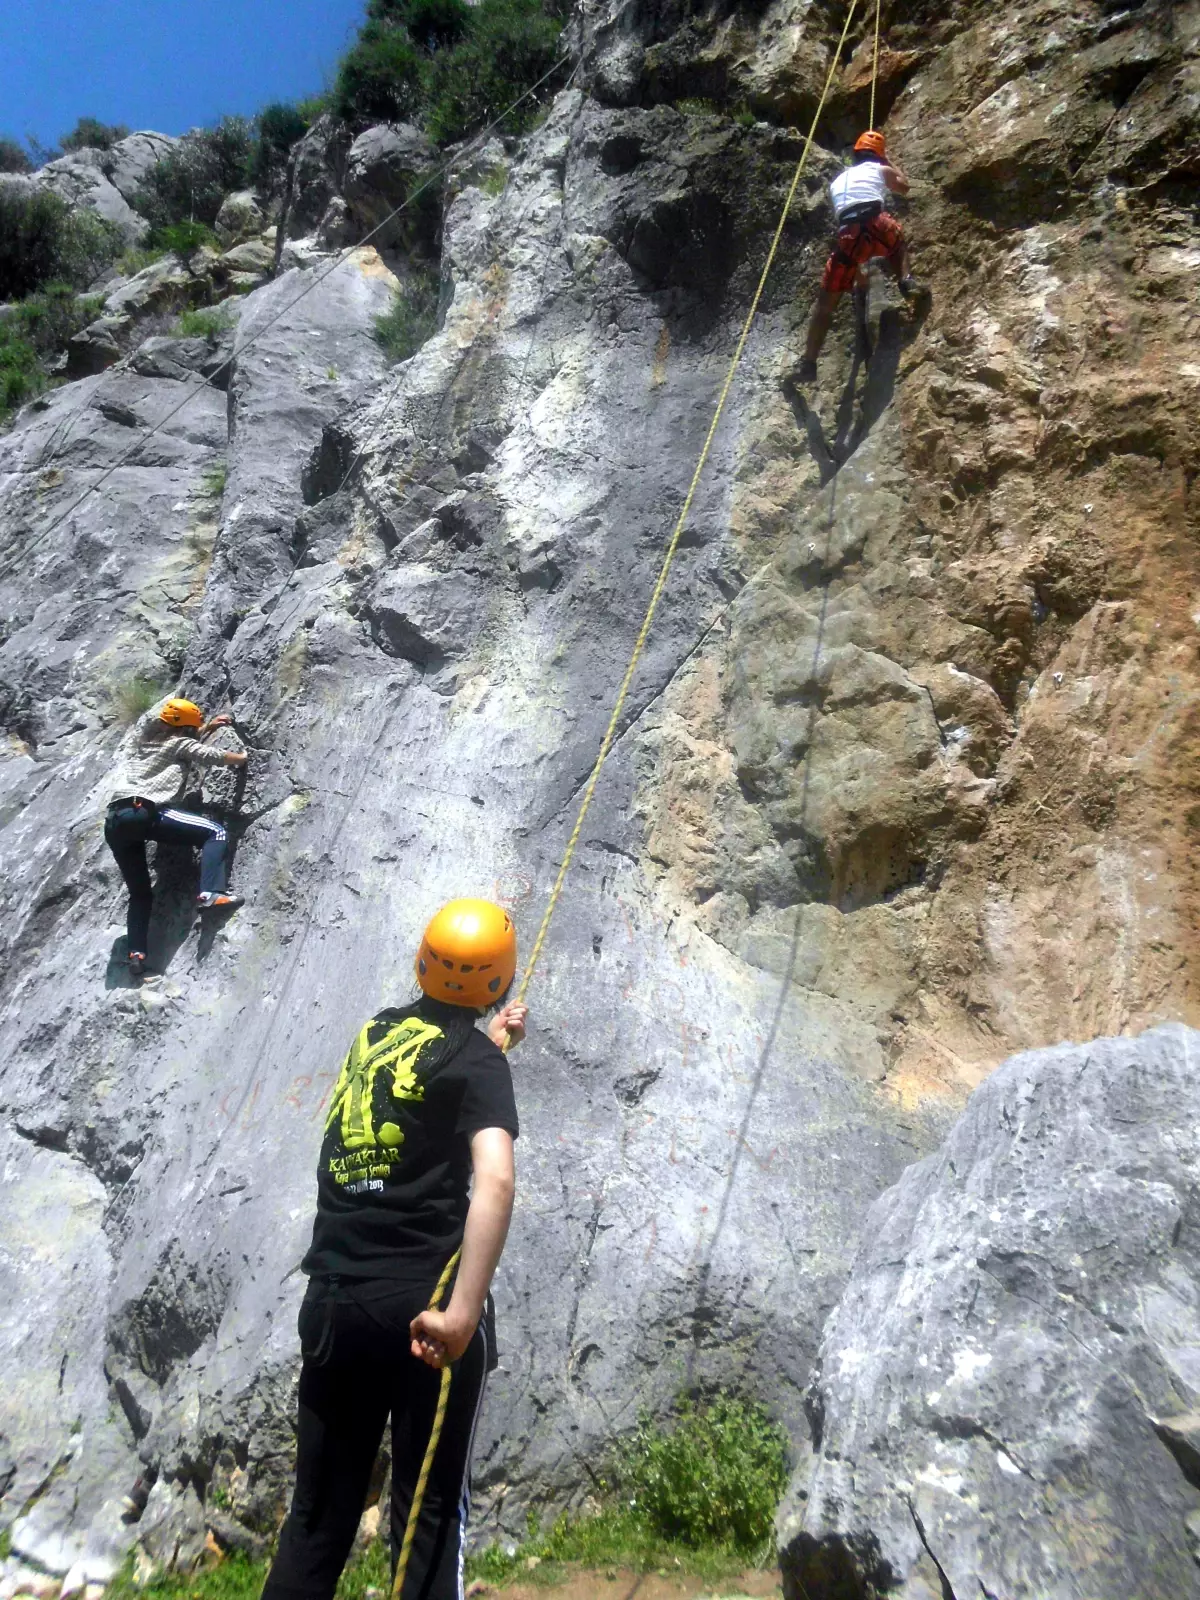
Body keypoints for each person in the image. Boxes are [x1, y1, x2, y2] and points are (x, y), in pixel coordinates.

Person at [261, 898, 527, 1600]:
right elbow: (495, 1180)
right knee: (427, 1518)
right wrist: (463, 1314)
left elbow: (417, 1091)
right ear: (498, 981)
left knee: (317, 1519)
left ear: (423, 960)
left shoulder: (373, 1033)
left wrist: (488, 1046)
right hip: (423, 1311)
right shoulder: (475, 1063)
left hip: (335, 1304)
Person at [103, 695, 247, 977]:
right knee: (214, 832)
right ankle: (210, 893)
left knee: (140, 893)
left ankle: (136, 953)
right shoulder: (180, 743)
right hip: (142, 811)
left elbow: (176, 743)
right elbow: (208, 755)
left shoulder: (143, 744)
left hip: (114, 822)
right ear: (187, 728)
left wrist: (205, 729)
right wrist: (240, 759)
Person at [791, 129, 929, 385]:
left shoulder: (836, 183)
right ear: (877, 157)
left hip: (848, 238)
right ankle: (906, 281)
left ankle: (808, 362)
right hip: (876, 223)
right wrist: (888, 160)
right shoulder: (879, 169)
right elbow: (904, 187)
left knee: (825, 304)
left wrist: (858, 276)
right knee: (896, 241)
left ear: (855, 155)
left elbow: (851, 227)